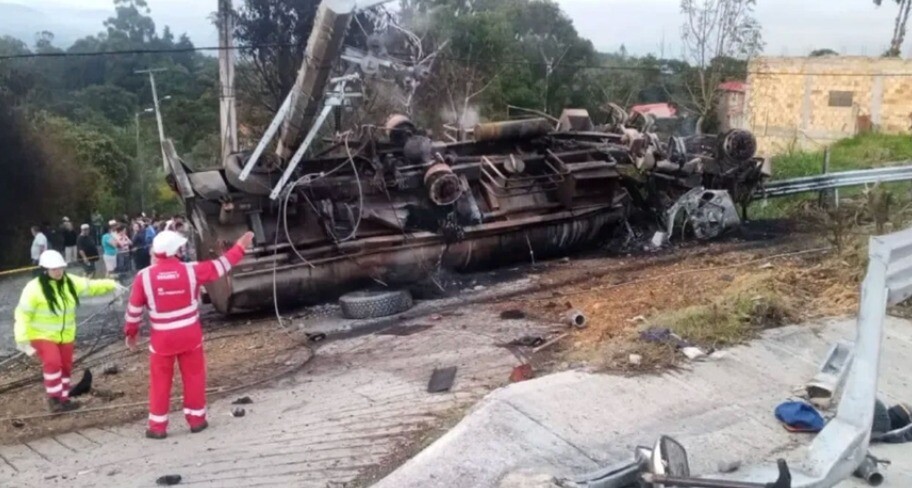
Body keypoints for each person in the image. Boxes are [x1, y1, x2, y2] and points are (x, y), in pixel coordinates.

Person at [124, 230, 254, 439]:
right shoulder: (191, 270)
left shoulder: (143, 277)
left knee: (160, 382)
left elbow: (133, 310)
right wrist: (240, 247)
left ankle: (157, 427)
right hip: (190, 336)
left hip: (162, 340)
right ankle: (197, 420)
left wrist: (131, 334)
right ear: (175, 251)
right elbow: (221, 266)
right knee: (194, 377)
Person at [14, 250, 124, 412]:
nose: (58, 272)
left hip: (66, 335)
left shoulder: (70, 282)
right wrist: (22, 338)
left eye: (60, 268)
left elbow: (90, 286)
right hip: (41, 335)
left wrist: (111, 285)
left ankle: (63, 399)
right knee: (53, 362)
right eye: (54, 269)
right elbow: (23, 314)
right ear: (45, 269)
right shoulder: (33, 288)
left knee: (65, 366)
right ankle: (54, 399)